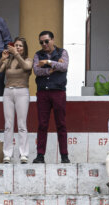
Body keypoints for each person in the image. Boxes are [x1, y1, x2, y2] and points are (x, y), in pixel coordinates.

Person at [32, 30, 70, 164]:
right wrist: (53, 67)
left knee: (61, 124)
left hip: (58, 92)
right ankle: (40, 155)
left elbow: (64, 66)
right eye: (41, 42)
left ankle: (64, 155)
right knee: (42, 124)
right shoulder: (37, 54)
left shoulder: (62, 52)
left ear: (53, 40)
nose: (44, 44)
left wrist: (47, 62)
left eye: (46, 41)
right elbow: (37, 70)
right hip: (43, 92)